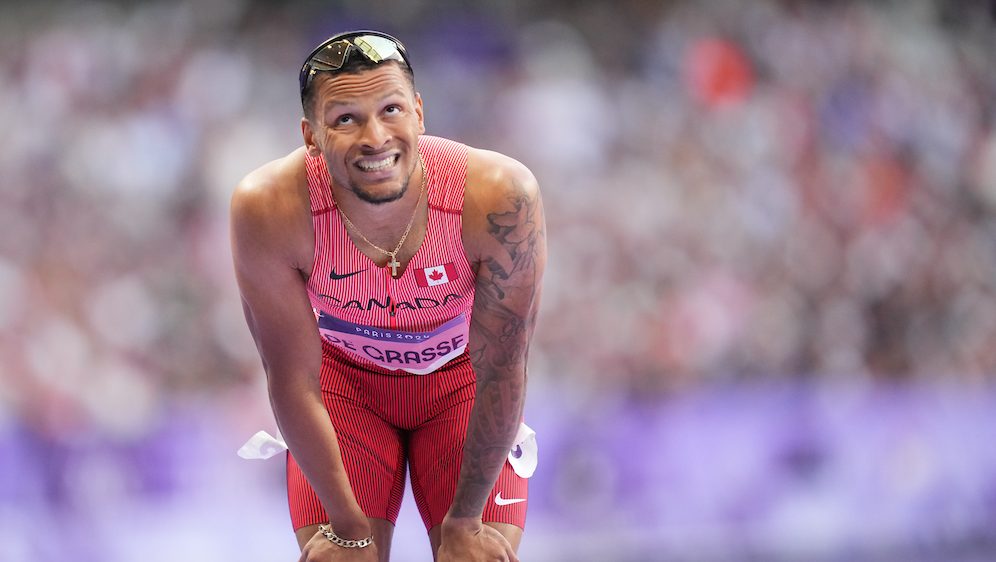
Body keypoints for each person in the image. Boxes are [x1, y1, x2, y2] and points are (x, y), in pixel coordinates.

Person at [230, 30, 546, 562]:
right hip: (345, 393)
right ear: (311, 135)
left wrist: (466, 520)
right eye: (345, 119)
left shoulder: (497, 195)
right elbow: (291, 378)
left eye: (391, 109)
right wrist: (349, 527)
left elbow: (504, 367)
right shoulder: (269, 208)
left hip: (461, 388)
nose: (375, 138)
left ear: (420, 113)